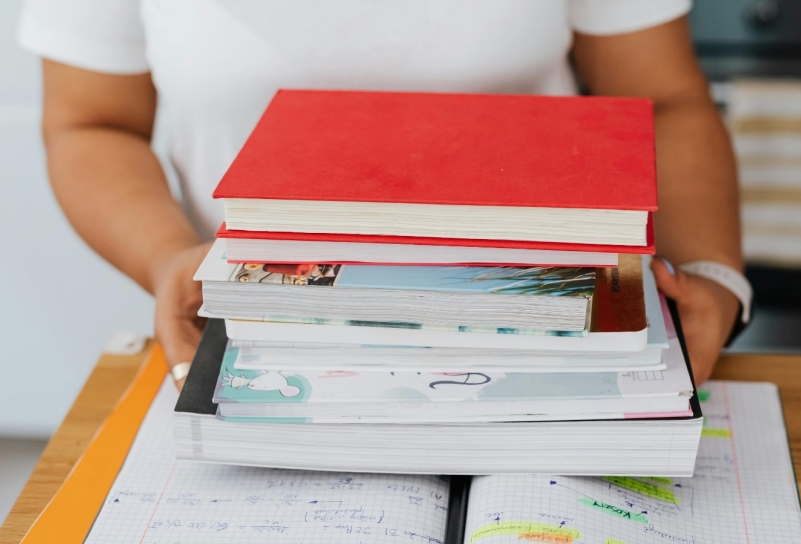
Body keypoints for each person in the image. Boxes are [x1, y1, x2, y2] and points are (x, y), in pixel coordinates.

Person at [18, 0, 744, 388]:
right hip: (251, 337)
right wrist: (168, 257)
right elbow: (93, 123)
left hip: (554, 331)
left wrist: (709, 271)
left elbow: (665, 99)